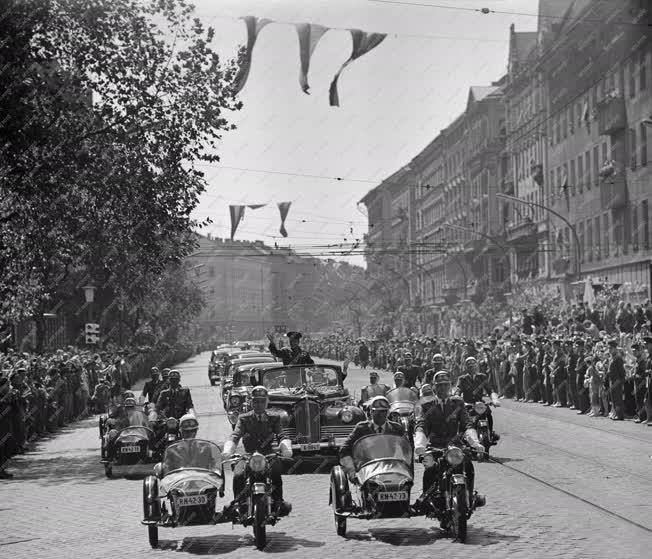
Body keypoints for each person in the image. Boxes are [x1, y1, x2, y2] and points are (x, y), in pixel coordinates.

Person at [413, 372, 484, 515]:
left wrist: (475, 442)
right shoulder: (427, 405)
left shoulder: (458, 403)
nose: (443, 389)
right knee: (430, 469)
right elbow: (421, 424)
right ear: (434, 387)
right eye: (440, 386)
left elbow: (467, 423)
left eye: (446, 385)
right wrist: (420, 444)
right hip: (434, 446)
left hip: (455, 446)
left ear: (450, 386)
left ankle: (469, 497)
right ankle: (426, 501)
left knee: (468, 465)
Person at [222, 386, 292, 515]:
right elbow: (235, 435)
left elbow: (281, 434)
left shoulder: (274, 418)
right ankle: (238, 503)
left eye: (262, 401)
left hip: (268, 454)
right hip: (248, 455)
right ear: (251, 402)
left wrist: (285, 446)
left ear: (267, 402)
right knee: (238, 475)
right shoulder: (243, 418)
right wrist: (229, 448)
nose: (259, 404)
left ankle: (278, 501)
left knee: (276, 472)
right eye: (255, 401)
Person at [339, 396, 404, 482]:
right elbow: (345, 449)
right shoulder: (361, 428)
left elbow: (406, 450)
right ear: (371, 412)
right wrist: (352, 471)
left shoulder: (396, 428)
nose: (380, 415)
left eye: (383, 411)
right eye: (376, 411)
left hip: (391, 467)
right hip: (367, 469)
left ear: (388, 412)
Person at [454, 356, 500, 436]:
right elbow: (458, 390)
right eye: (469, 367)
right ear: (466, 368)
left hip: (479, 403)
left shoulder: (482, 377)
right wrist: (456, 397)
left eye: (473, 366)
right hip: (467, 404)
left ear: (476, 366)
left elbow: (490, 390)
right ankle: (460, 436)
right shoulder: (462, 379)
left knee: (488, 413)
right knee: (461, 417)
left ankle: (491, 434)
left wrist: (494, 399)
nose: (472, 368)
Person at [607, 339, 626, 420]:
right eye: (609, 348)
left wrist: (617, 382)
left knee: (618, 399)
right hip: (612, 381)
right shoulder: (612, 358)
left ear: (615, 348)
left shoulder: (618, 358)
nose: (609, 350)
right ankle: (615, 413)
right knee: (614, 399)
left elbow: (622, 373)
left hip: (617, 382)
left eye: (611, 348)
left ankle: (619, 415)